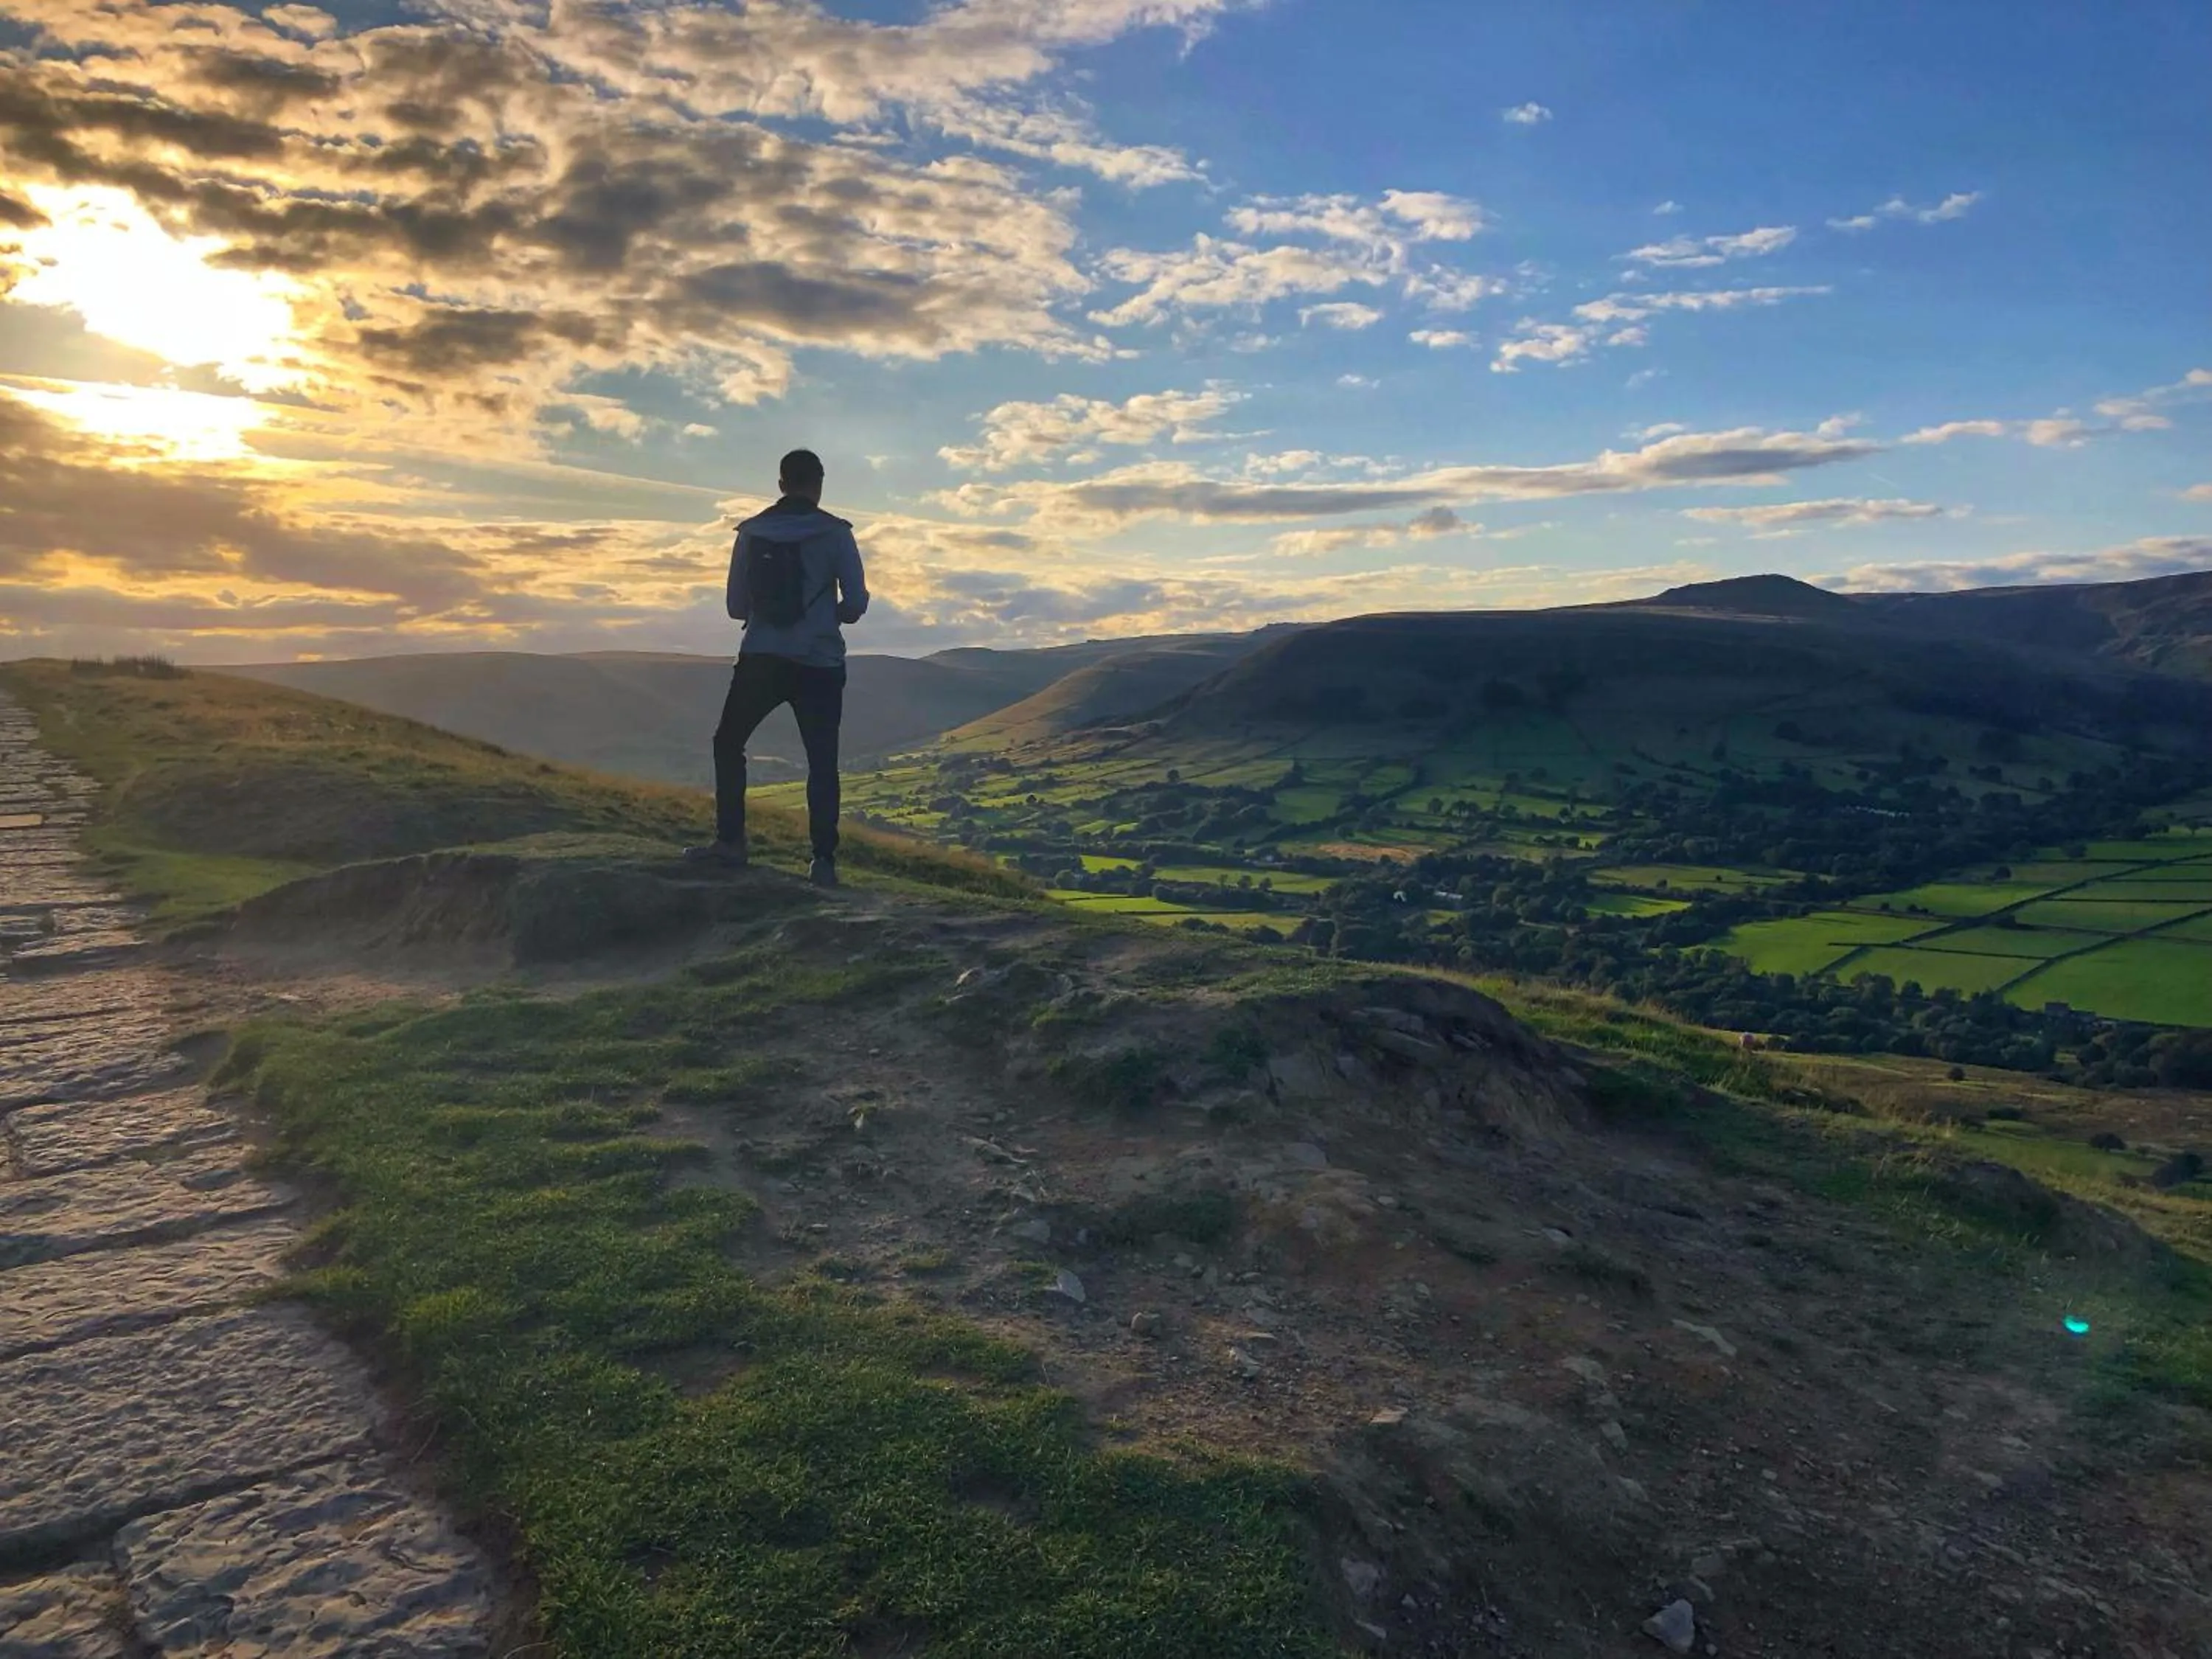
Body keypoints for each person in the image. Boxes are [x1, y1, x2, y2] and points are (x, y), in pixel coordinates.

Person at [686, 448, 868, 886]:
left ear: (781, 483)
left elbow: (735, 608)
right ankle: (822, 861)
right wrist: (833, 613)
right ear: (819, 484)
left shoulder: (751, 533)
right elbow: (857, 603)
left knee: (728, 743)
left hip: (762, 656)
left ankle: (731, 842)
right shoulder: (837, 533)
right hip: (820, 662)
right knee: (822, 761)